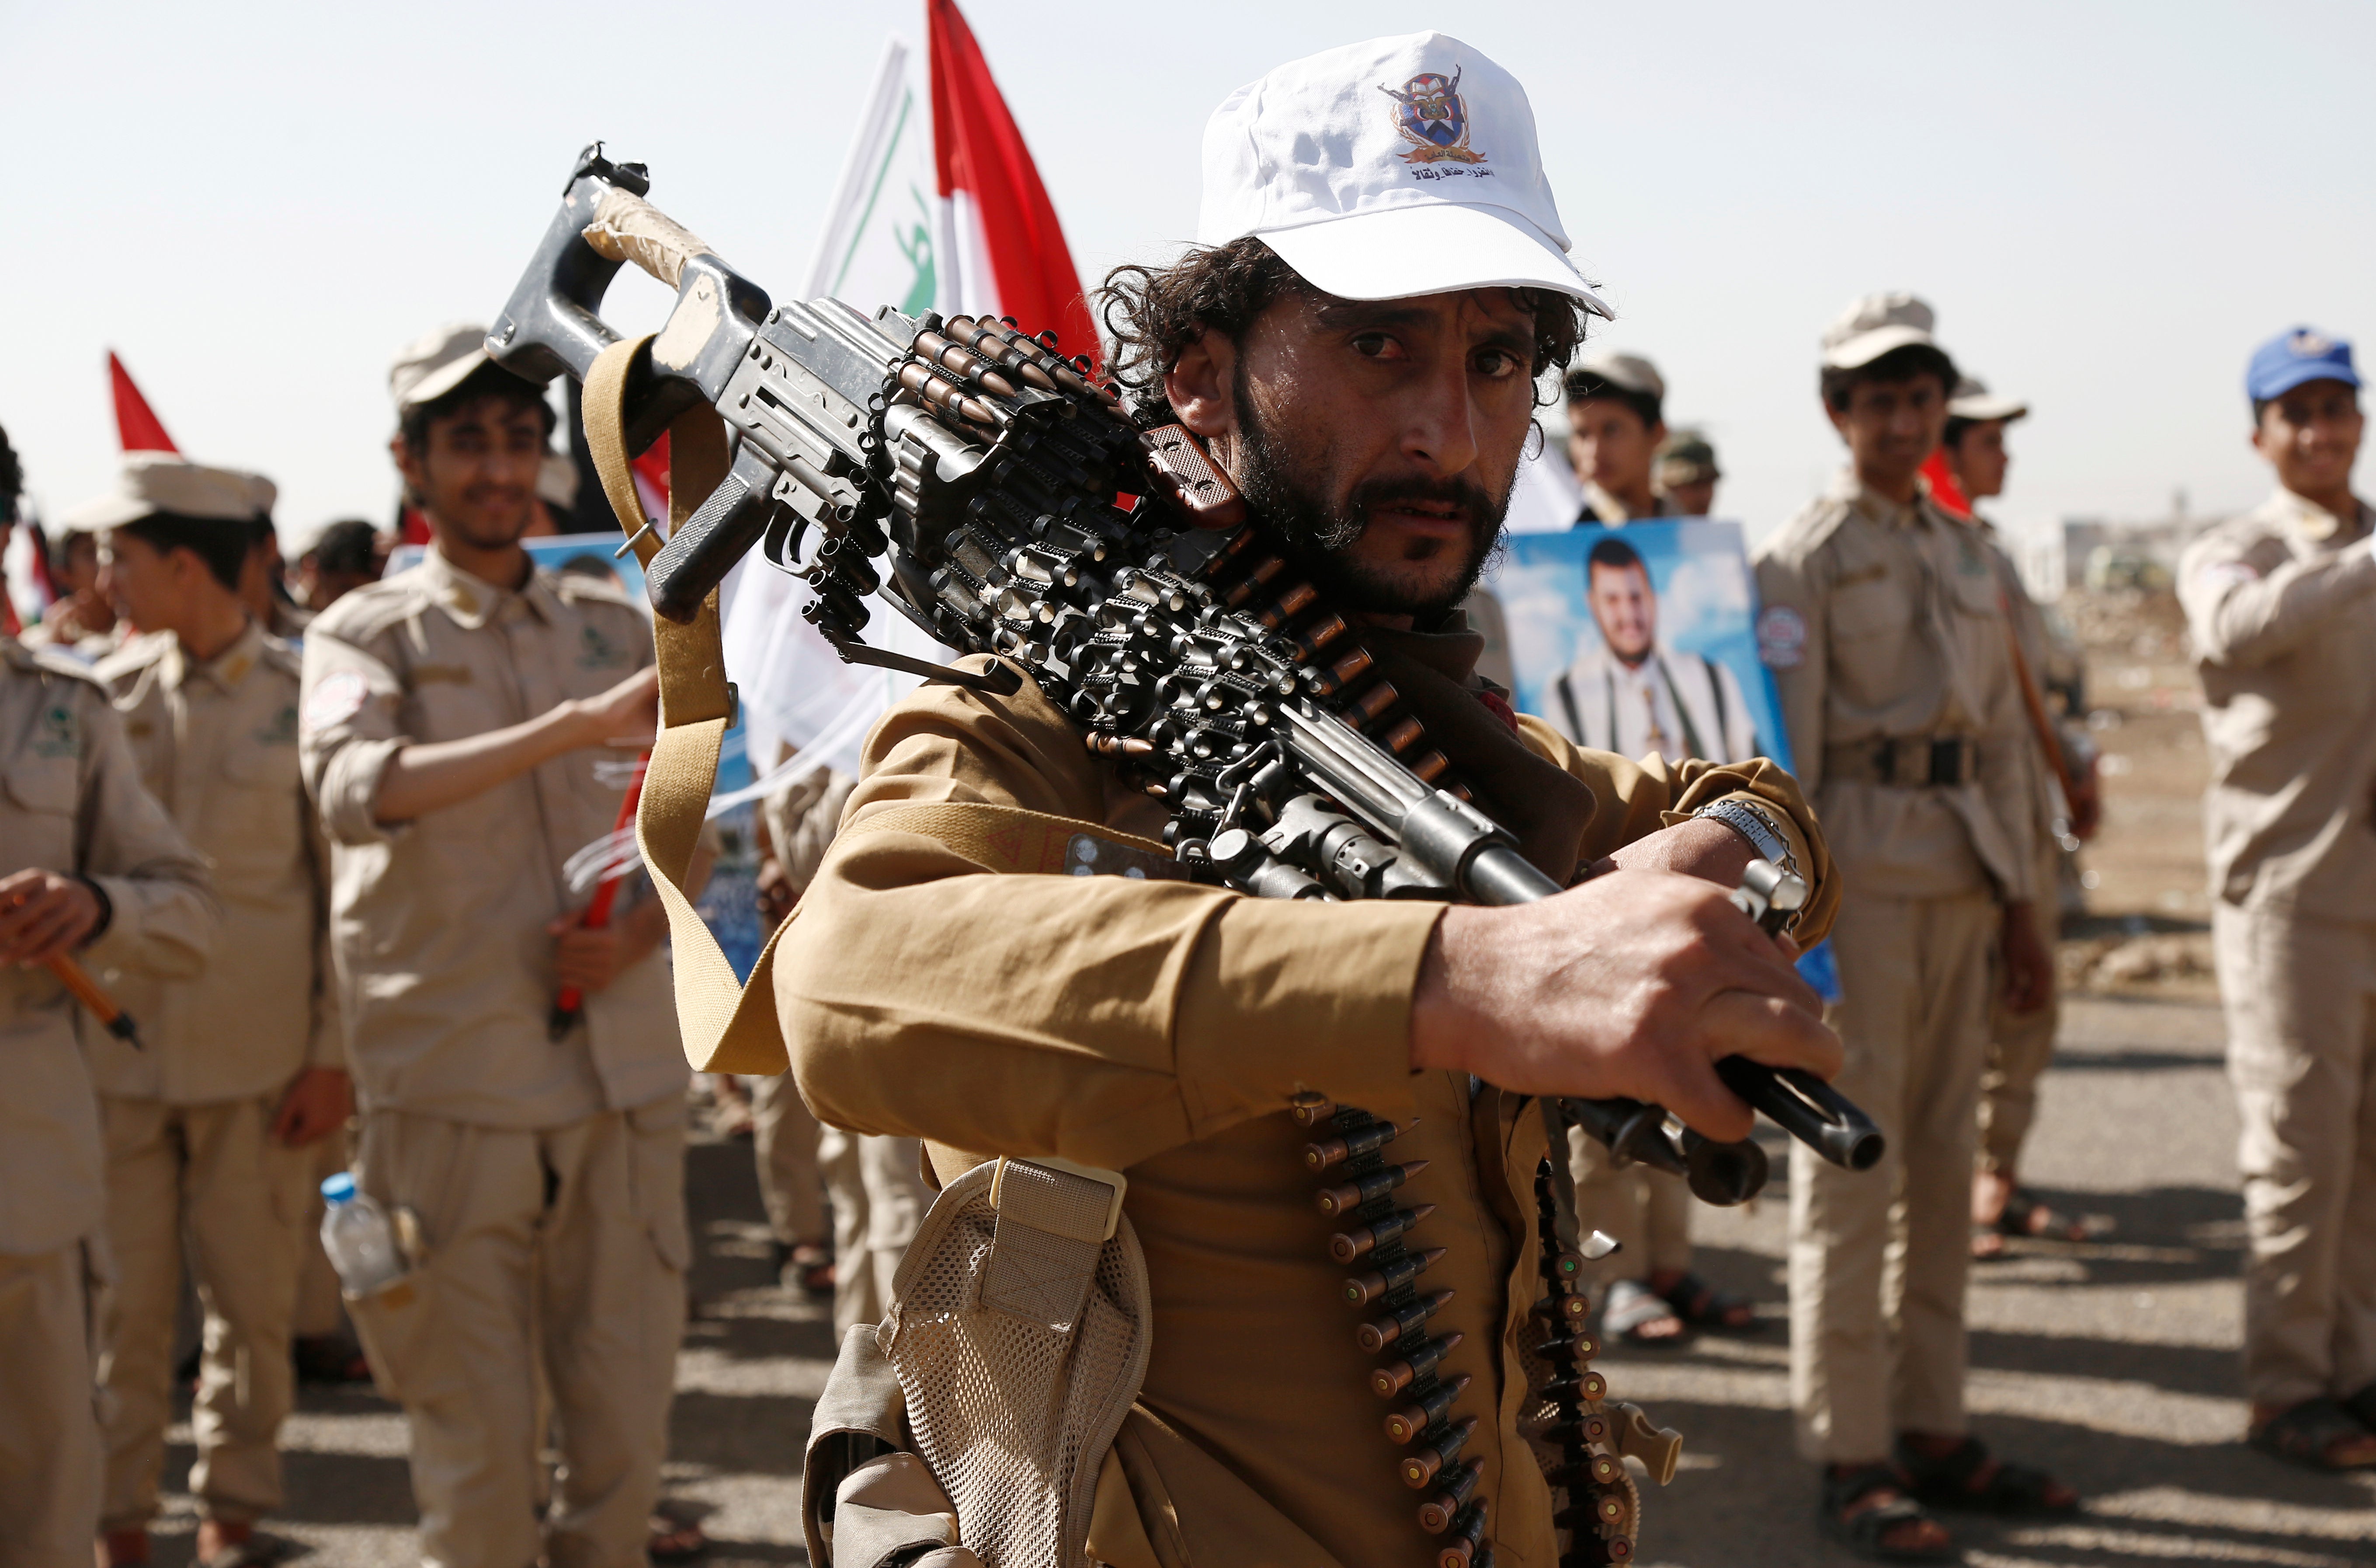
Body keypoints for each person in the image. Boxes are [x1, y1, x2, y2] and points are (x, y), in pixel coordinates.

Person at [778, 34, 1845, 1567]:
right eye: (1378, 346)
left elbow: (1750, 804)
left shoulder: (1425, 741)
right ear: (1199, 375)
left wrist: (1722, 848)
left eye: (1495, 362)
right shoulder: (1037, 721)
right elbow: (846, 978)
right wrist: (1451, 979)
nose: (1449, 431)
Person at [298, 324, 703, 1567]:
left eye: (518, 439)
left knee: (623, 1458)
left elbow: (691, 819)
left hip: (619, 1091)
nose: (495, 467)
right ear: (409, 463)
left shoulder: (608, 618)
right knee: (475, 1470)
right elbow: (354, 787)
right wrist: (567, 724)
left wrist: (640, 930)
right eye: (464, 441)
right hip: (456, 1100)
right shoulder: (364, 635)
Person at [1754, 293, 2076, 1560]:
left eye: (1917, 393)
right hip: (1865, 892)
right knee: (1855, 1167)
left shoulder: (1963, 548)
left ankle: (1930, 1420)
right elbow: (1790, 762)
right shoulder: (1805, 555)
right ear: (1838, 414)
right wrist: (1803, 931)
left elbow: (1999, 741)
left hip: (1964, 874)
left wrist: (2021, 907)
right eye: (1874, 396)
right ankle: (1851, 1444)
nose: (1900, 415)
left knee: (1946, 1162)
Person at [57, 456, 346, 1568]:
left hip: (264, 1066)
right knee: (119, 1317)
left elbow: (335, 899)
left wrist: (331, 1059)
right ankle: (118, 1525)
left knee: (252, 1308)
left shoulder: (304, 694)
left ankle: (232, 1517)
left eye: (117, 557)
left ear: (184, 564)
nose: (99, 578)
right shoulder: (90, 698)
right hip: (110, 1065)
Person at [0, 427, 218, 1568]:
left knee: (40, 1500)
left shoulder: (63, 710)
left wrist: (92, 906)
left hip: (25, 1183)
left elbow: (186, 904)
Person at [2179, 326, 2376, 1471]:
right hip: (2287, 900)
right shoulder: (2234, 550)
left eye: (2337, 407)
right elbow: (2233, 628)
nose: (2321, 431)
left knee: (2365, 1151)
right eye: (2295, 412)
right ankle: (2285, 1386)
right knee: (2299, 1151)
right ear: (2260, 436)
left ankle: (2352, 1368)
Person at [1935, 379, 2104, 1258]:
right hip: (1964, 827)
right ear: (1950, 447)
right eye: (1989, 439)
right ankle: (1962, 1186)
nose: (2006, 455)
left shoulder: (1988, 553)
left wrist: (2076, 767)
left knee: (2027, 1010)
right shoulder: (1934, 554)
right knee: (1968, 1015)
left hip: (2024, 812)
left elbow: (2036, 692)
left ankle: (1997, 1174)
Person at [1550, 534, 1758, 763]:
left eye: (1636, 597)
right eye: (1612, 600)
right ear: (1593, 605)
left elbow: (1754, 771)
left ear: (1653, 597)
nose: (1629, 615)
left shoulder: (1712, 677)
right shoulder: (1565, 694)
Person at [1567, 350, 1672, 524]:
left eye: (1612, 431)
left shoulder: (1691, 529)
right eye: (1582, 434)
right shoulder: (1563, 533)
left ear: (1657, 434)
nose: (1594, 452)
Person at [22, 525, 125, 657]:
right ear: (63, 574)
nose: (102, 559)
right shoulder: (38, 644)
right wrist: (57, 652)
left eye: (105, 549)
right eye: (90, 553)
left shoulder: (141, 621)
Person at [295, 518, 384, 611]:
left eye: (368, 593)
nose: (354, 603)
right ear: (312, 570)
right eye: (345, 589)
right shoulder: (288, 617)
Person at [1654, 428, 1720, 518]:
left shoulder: (1717, 531)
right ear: (1669, 487)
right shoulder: (1638, 525)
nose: (1705, 496)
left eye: (1709, 483)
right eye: (1695, 485)